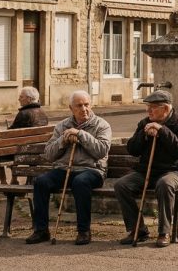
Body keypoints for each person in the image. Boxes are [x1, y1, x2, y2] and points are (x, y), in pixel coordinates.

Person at [25, 90, 111, 246]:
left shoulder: (101, 125)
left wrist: (81, 135)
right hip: (65, 169)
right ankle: (41, 230)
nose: (84, 109)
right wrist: (62, 141)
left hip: (92, 170)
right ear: (71, 108)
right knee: (41, 182)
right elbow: (49, 155)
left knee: (80, 182)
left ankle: (83, 231)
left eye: (87, 105)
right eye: (79, 105)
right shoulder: (62, 125)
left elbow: (101, 151)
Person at [114, 90, 178, 248]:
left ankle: (164, 232)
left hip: (174, 172)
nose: (149, 111)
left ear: (166, 109)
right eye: (148, 106)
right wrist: (144, 134)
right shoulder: (144, 123)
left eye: (153, 107)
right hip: (147, 172)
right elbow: (132, 149)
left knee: (165, 184)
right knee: (121, 185)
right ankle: (138, 230)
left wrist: (162, 131)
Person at [0, 87, 49, 185]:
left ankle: (4, 182)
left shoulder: (24, 114)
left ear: (28, 99)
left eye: (21, 97)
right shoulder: (43, 113)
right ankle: (14, 179)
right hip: (38, 149)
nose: (19, 99)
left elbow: (11, 134)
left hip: (24, 150)